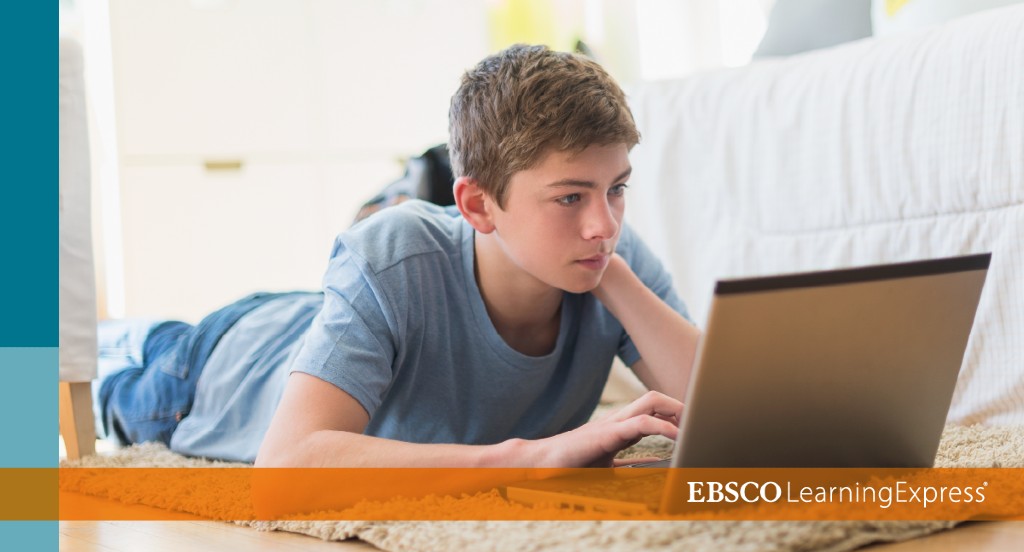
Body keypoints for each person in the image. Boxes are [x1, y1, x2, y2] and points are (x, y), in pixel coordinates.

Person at [93, 44, 701, 467]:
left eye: (616, 188)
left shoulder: (606, 255)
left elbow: (728, 411)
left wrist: (616, 281)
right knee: (103, 366)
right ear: (479, 205)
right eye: (570, 197)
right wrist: (530, 455)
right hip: (215, 368)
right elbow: (286, 466)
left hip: (322, 316)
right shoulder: (395, 251)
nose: (603, 225)